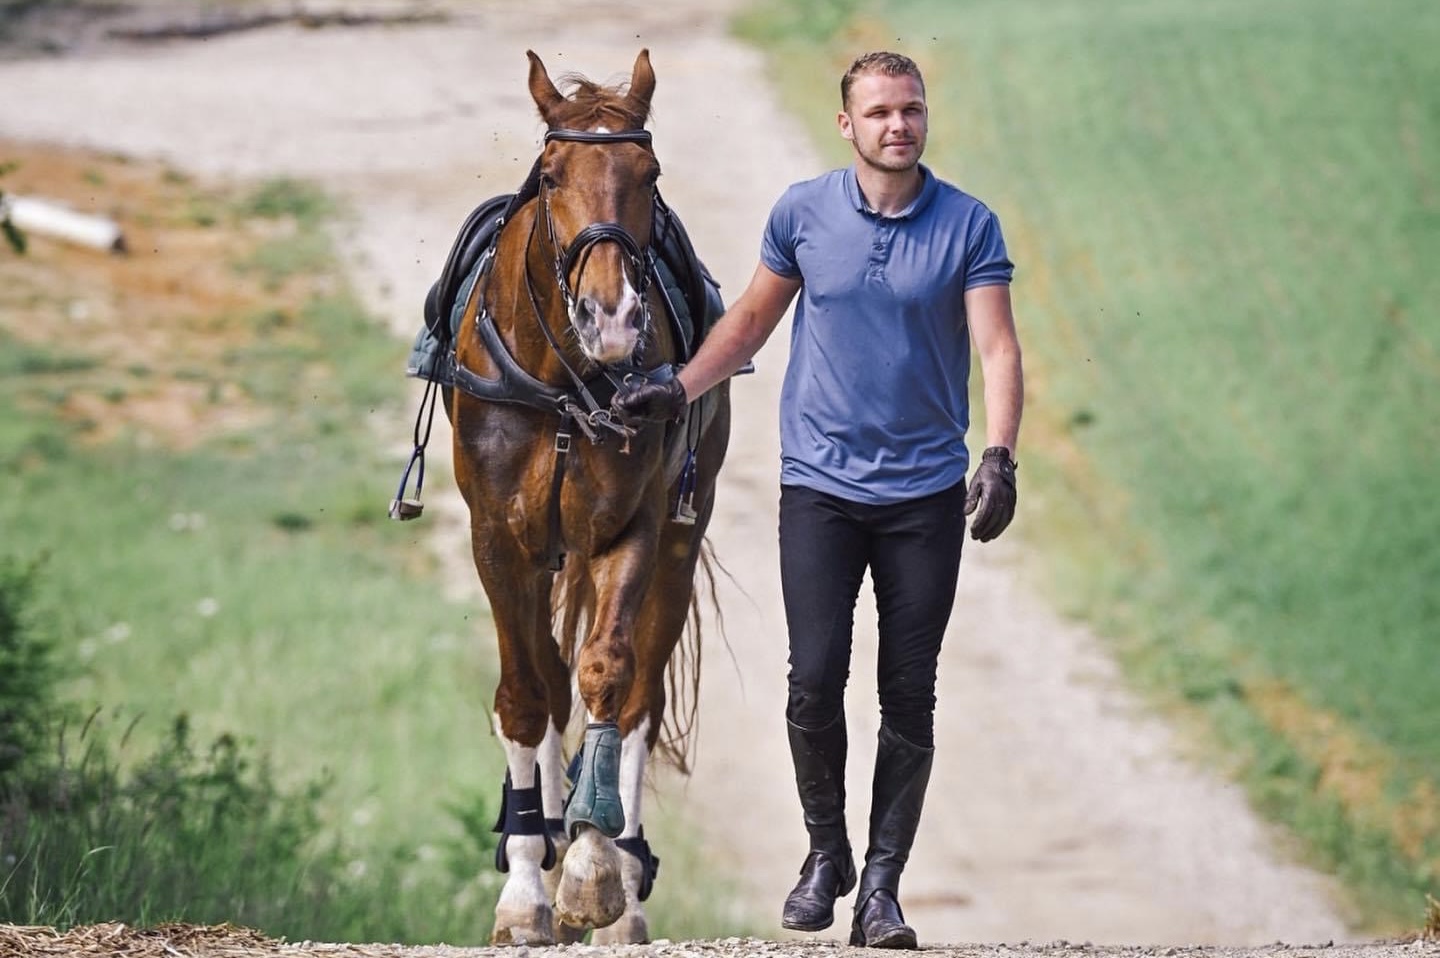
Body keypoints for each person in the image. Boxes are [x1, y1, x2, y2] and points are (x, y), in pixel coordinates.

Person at [614, 51, 1023, 949]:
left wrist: (998, 455)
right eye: (879, 112)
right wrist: (679, 388)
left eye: (911, 110)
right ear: (847, 124)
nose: (898, 126)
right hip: (821, 489)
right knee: (813, 677)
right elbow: (752, 321)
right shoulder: (802, 213)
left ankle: (881, 889)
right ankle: (824, 854)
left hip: (924, 495)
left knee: (908, 691)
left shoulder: (968, 225)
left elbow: (996, 348)